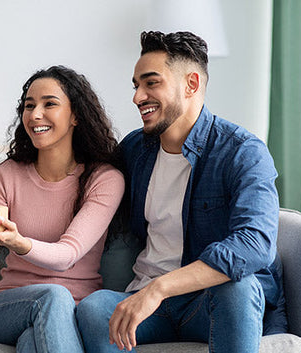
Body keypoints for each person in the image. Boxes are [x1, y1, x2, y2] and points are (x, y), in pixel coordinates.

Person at [75, 31, 285, 353]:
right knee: (94, 309)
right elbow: (77, 178)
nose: (137, 97)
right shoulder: (136, 149)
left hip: (207, 303)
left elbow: (255, 243)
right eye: (136, 86)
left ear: (191, 84)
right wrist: (2, 180)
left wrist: (159, 289)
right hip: (151, 306)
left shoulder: (242, 152)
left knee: (237, 288)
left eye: (151, 83)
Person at [0, 65, 125, 352]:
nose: (35, 114)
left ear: (76, 115)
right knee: (52, 297)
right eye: (29, 106)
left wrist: (18, 242)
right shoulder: (5, 174)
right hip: (6, 308)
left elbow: (68, 255)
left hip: (75, 314)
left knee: (32, 342)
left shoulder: (105, 179)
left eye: (49, 104)